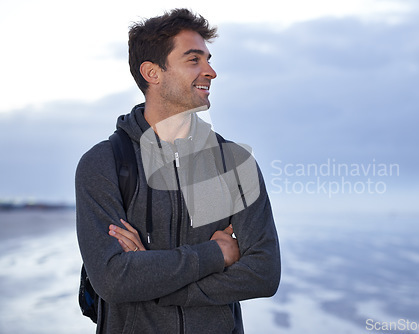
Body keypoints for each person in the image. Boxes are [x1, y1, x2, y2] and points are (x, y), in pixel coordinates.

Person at [75, 8, 281, 334]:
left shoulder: (234, 163)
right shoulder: (104, 164)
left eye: (209, 59)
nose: (211, 71)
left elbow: (264, 273)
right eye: (194, 60)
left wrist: (158, 285)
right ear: (152, 73)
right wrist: (216, 253)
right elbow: (114, 280)